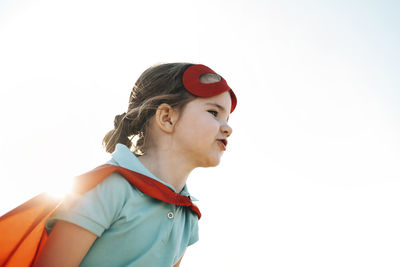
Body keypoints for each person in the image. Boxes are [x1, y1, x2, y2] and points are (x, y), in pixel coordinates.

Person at [33, 62, 237, 267]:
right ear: (167, 118)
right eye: (213, 113)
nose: (228, 128)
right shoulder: (108, 188)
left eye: (227, 118)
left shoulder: (188, 217)